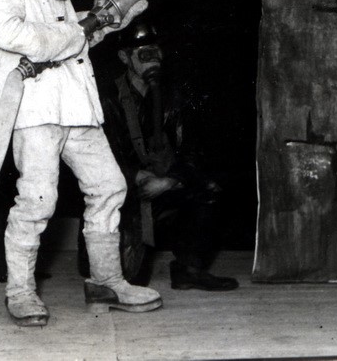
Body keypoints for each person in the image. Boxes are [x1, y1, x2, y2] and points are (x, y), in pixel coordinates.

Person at [0, 0, 160, 327]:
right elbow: (11, 32)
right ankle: (20, 292)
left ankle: (106, 281)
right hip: (34, 109)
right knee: (37, 201)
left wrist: (105, 22)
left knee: (110, 186)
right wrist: (75, 33)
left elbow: (69, 31)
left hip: (75, 104)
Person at [95, 21, 239, 291]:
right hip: (125, 193)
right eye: (144, 54)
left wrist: (169, 181)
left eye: (156, 52)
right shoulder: (107, 98)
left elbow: (193, 150)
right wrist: (135, 176)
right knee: (130, 281)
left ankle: (189, 269)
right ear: (125, 57)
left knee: (209, 190)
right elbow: (96, 155)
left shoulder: (173, 96)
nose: (154, 60)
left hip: (162, 186)